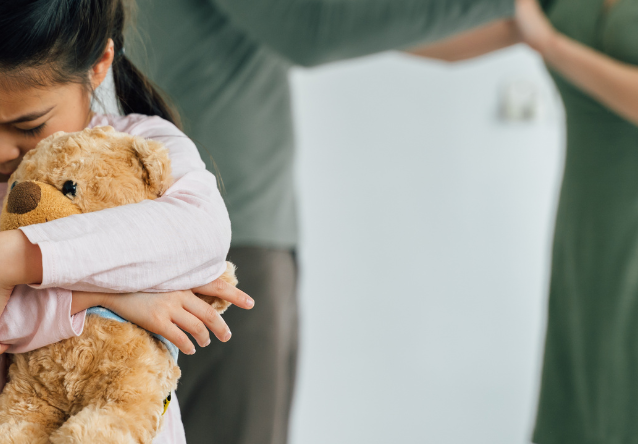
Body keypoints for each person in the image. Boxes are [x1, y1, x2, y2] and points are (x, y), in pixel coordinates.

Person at [126, 1, 517, 443]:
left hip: (230, 233)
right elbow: (312, 30)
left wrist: (541, 29)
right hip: (224, 245)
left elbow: (392, 34)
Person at [0, 1, 256, 443]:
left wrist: (10, 259)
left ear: (99, 64)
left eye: (28, 125)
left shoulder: (139, 147)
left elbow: (201, 231)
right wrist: (108, 296)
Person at [410, 0, 638, 442]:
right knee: (585, 398)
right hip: (586, 229)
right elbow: (441, 38)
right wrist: (338, 25)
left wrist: (552, 46)